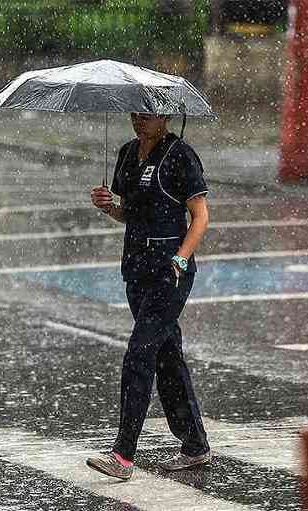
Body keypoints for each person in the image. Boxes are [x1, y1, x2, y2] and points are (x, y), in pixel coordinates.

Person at [85, 112, 211, 480]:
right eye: (135, 114)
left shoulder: (180, 155)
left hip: (169, 274)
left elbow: (200, 217)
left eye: (147, 115)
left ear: (166, 115)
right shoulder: (127, 153)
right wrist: (109, 207)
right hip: (136, 270)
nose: (139, 121)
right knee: (167, 357)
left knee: (139, 354)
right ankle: (195, 444)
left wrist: (180, 259)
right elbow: (130, 213)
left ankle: (123, 454)